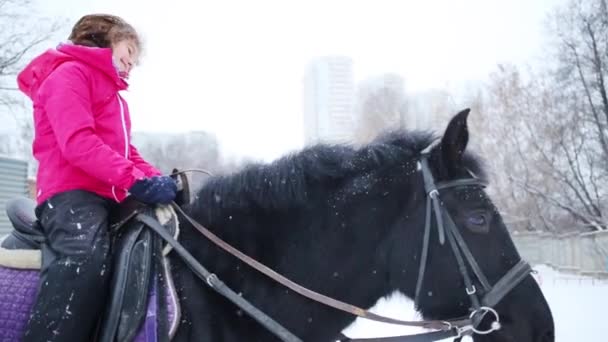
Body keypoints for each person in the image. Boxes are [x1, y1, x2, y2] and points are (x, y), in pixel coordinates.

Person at [16, 14, 177, 341]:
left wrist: (160, 181)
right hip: (70, 195)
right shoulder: (69, 75)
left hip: (109, 195)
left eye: (135, 59)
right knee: (85, 257)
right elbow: (78, 142)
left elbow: (125, 152)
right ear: (105, 41)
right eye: (128, 52)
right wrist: (134, 181)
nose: (132, 63)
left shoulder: (115, 98)